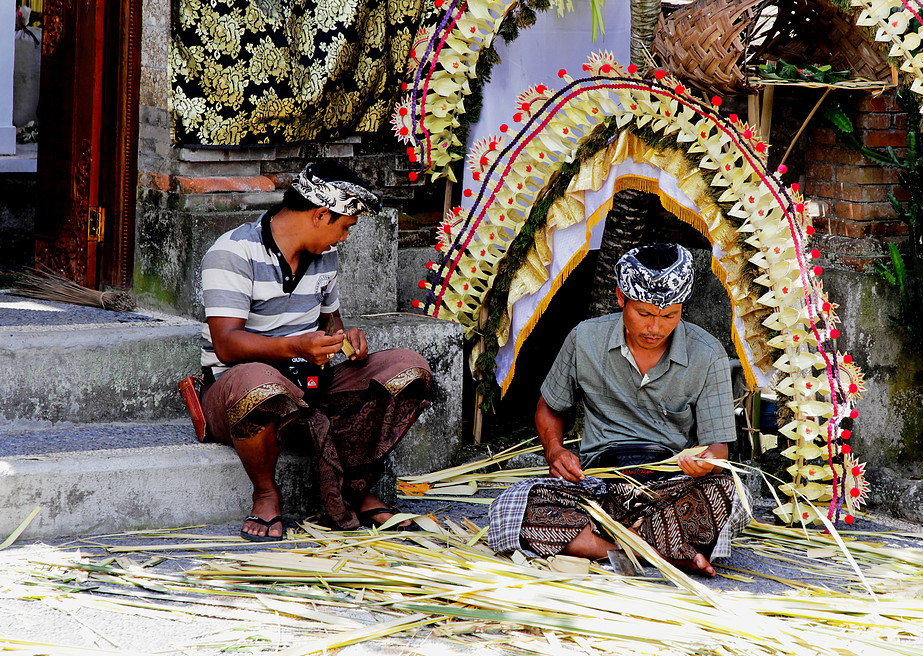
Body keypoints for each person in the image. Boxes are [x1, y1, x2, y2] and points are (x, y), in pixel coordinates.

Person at [199, 161, 431, 541]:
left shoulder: (326, 257)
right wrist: (297, 347)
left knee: (408, 369)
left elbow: (330, 322)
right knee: (260, 383)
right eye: (345, 227)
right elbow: (226, 344)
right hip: (239, 388)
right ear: (321, 215)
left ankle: (355, 486)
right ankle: (266, 494)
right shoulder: (232, 252)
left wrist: (344, 337)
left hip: (309, 384)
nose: (344, 239)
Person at [488, 243, 749, 575]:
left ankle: (616, 544)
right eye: (644, 314)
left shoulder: (707, 354)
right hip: (599, 486)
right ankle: (655, 552)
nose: (656, 328)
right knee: (512, 505)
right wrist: (554, 451)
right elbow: (549, 408)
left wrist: (704, 464)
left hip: (670, 489)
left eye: (670, 316)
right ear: (621, 298)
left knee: (729, 496)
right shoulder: (585, 339)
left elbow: (717, 450)